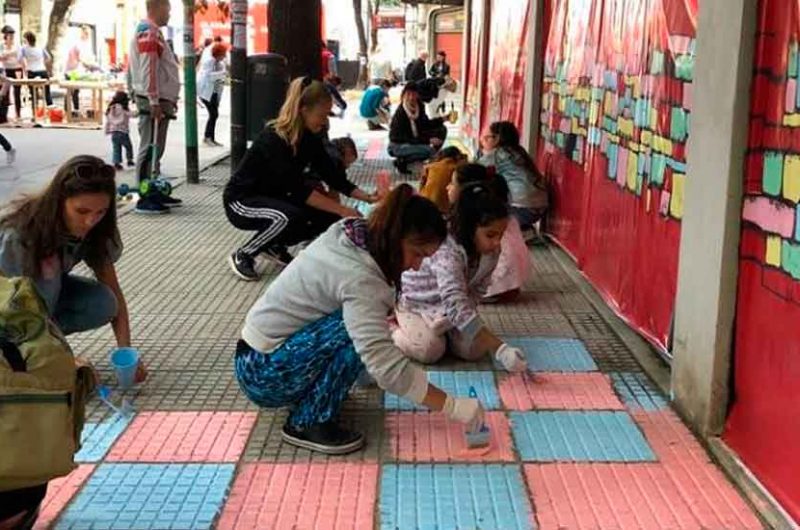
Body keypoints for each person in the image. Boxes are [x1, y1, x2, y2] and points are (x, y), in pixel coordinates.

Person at [234, 184, 486, 454]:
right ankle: (306, 423)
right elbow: (383, 363)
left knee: (363, 328)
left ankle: (314, 398)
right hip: (263, 374)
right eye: (417, 254)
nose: (416, 266)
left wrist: (360, 371)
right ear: (395, 237)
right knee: (359, 333)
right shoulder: (361, 278)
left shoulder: (354, 233)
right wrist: (453, 406)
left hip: (259, 354)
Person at [0, 155, 147, 378]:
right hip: (8, 306)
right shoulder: (21, 235)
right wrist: (63, 361)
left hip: (35, 301)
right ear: (59, 201)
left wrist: (126, 352)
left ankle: (42, 350)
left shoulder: (98, 230)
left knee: (104, 303)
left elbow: (113, 288)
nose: (91, 221)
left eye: (100, 212)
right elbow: (18, 309)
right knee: (46, 283)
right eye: (82, 211)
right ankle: (26, 355)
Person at [224, 77, 381, 281]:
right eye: (322, 115)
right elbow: (297, 190)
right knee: (286, 216)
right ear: (304, 110)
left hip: (276, 198)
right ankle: (244, 253)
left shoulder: (310, 139)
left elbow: (333, 177)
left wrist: (368, 197)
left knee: (328, 218)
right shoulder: (274, 139)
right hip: (242, 200)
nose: (326, 121)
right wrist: (343, 209)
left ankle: (273, 245)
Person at [393, 164, 527, 371]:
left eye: (500, 235)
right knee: (430, 350)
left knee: (474, 349)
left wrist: (456, 319)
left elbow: (476, 292)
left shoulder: (491, 251)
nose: (497, 243)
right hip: (416, 305)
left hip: (447, 312)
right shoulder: (448, 250)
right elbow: (455, 302)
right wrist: (500, 349)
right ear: (469, 228)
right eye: (490, 235)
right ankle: (392, 327)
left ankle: (444, 333)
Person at [451, 159, 532, 303]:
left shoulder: (490, 223)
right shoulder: (451, 250)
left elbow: (461, 301)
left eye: (453, 184)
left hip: (501, 288)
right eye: (491, 235)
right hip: (512, 286)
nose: (497, 242)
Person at [129, 0, 183, 213]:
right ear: (157, 7)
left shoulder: (152, 31)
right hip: (154, 100)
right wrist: (153, 100)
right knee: (149, 148)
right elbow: (148, 67)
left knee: (155, 149)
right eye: (168, 9)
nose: (169, 14)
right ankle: (144, 195)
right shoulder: (148, 31)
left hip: (160, 99)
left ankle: (153, 189)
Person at [477, 121, 549, 238]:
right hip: (539, 209)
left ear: (497, 138)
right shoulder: (518, 151)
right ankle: (523, 228)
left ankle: (517, 229)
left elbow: (472, 169)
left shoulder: (499, 154)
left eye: (487, 138)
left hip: (523, 210)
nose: (483, 141)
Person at [388, 82, 447, 174]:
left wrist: (443, 119)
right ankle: (406, 161)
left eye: (414, 94)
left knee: (442, 130)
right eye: (408, 94)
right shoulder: (400, 113)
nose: (411, 97)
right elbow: (406, 138)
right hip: (398, 145)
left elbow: (426, 124)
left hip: (413, 140)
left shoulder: (419, 106)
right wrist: (428, 140)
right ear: (404, 95)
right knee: (429, 150)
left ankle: (405, 160)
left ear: (418, 95)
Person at [419, 146, 467, 213]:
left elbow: (421, 186)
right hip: (445, 207)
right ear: (457, 156)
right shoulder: (457, 169)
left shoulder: (429, 167)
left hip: (426, 203)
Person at [197, 41, 227, 147]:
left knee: (214, 114)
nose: (224, 56)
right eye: (223, 54)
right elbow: (207, 76)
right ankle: (207, 137)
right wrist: (221, 75)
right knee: (214, 114)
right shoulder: (210, 62)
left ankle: (211, 138)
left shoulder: (219, 64)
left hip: (213, 92)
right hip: (206, 92)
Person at [63, 25, 97, 114]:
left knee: (74, 91)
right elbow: (80, 59)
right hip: (71, 70)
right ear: (82, 33)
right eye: (86, 33)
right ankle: (69, 110)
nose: (87, 36)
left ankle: (74, 110)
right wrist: (90, 66)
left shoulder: (84, 44)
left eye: (88, 34)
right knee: (71, 90)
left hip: (75, 70)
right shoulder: (78, 44)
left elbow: (85, 58)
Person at [19, 31, 53, 110]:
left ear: (27, 40)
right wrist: (42, 62)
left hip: (31, 71)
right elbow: (48, 58)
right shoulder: (40, 48)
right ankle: (51, 110)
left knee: (33, 94)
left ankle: (35, 113)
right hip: (42, 70)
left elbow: (20, 59)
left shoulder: (24, 49)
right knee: (47, 92)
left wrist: (25, 68)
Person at [104, 91, 134, 170]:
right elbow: (131, 114)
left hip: (114, 132)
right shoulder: (123, 108)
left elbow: (108, 120)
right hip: (123, 132)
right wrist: (140, 112)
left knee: (116, 148)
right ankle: (129, 160)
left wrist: (107, 130)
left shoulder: (111, 108)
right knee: (128, 146)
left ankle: (116, 163)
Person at [1, 26, 22, 121]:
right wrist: (10, 54)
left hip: (17, 68)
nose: (11, 37)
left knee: (17, 91)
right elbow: (1, 57)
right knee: (6, 92)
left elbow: (18, 55)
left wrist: (7, 54)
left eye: (12, 35)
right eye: (9, 35)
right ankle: (4, 114)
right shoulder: (2, 45)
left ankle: (18, 114)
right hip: (6, 69)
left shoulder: (17, 45)